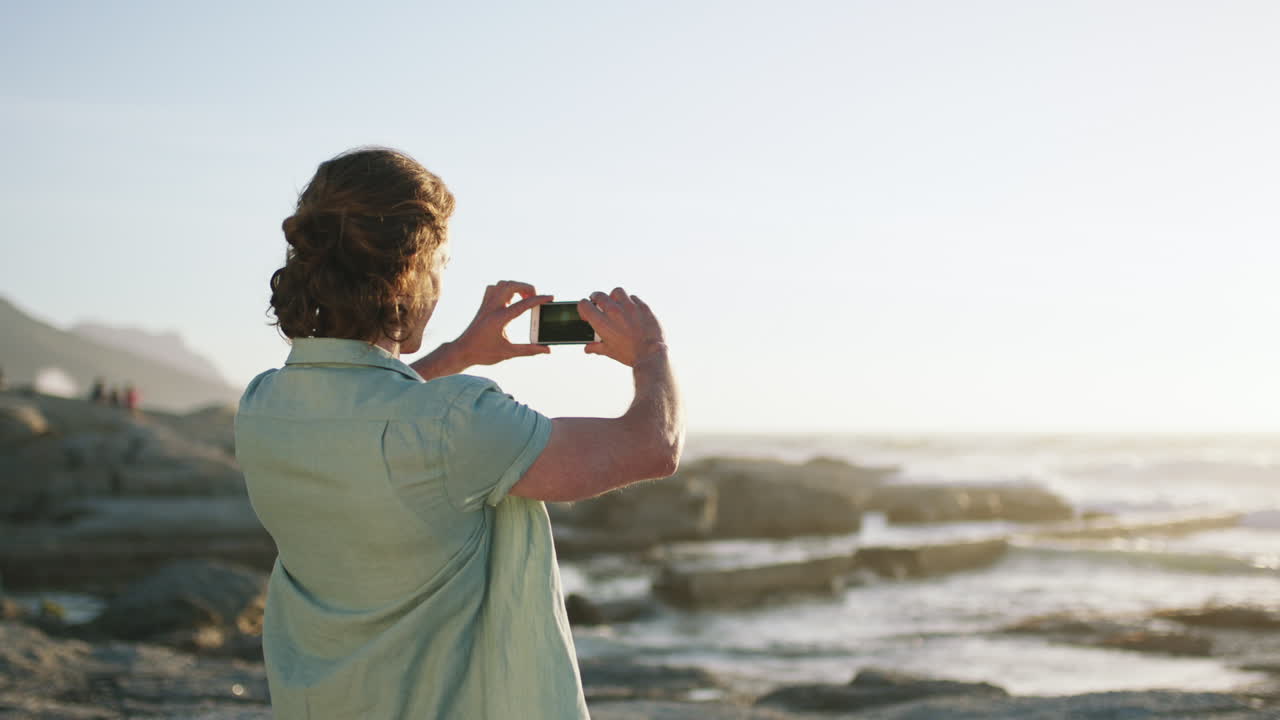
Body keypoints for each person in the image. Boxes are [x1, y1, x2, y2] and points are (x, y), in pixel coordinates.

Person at [235, 147, 683, 719]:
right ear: (411, 272)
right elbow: (654, 447)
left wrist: (460, 352)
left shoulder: (264, 406)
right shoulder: (456, 424)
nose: (443, 281)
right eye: (443, 262)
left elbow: (366, 410)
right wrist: (652, 354)